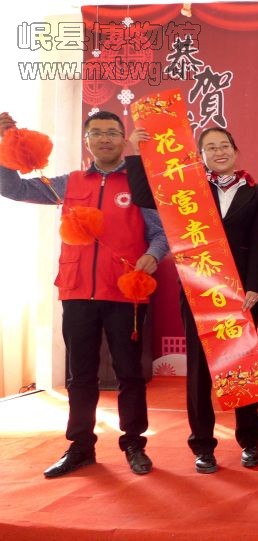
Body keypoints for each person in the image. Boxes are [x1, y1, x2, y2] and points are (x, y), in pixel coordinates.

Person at [0, 110, 168, 478]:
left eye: (112, 132)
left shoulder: (139, 183)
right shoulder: (69, 183)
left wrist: (153, 256)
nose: (104, 138)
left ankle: (134, 444)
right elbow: (14, 189)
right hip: (77, 292)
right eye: (97, 132)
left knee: (130, 374)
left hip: (125, 291)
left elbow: (160, 234)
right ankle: (80, 446)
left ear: (123, 140)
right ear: (87, 140)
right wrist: (5, 145)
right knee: (80, 375)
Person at [127, 127, 258, 474]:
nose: (219, 152)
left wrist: (255, 286)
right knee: (199, 373)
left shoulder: (257, 193)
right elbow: (144, 195)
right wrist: (136, 152)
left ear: (235, 150)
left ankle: (249, 441)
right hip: (198, 290)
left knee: (242, 367)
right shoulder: (188, 191)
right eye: (210, 148)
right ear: (200, 156)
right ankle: (203, 446)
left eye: (224, 146)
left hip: (241, 293)